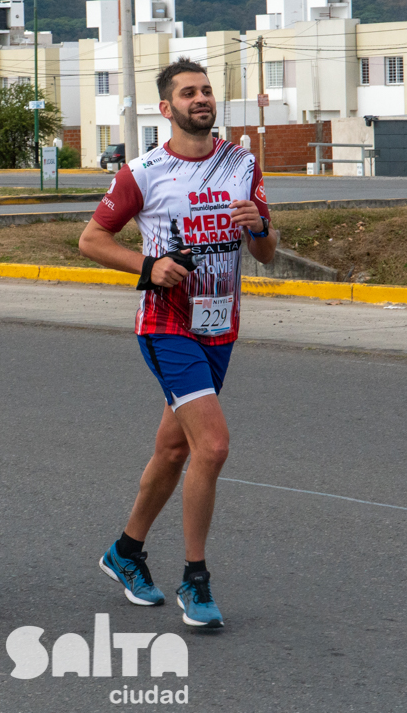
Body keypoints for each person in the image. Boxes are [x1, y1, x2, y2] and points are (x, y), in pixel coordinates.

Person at [78, 58, 276, 628]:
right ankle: (196, 579)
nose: (201, 99)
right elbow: (92, 239)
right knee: (211, 446)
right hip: (166, 326)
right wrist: (149, 267)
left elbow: (263, 251)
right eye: (188, 93)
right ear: (166, 109)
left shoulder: (242, 163)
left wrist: (259, 227)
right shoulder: (143, 172)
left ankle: (125, 551)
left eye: (207, 91)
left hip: (221, 327)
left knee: (173, 449)